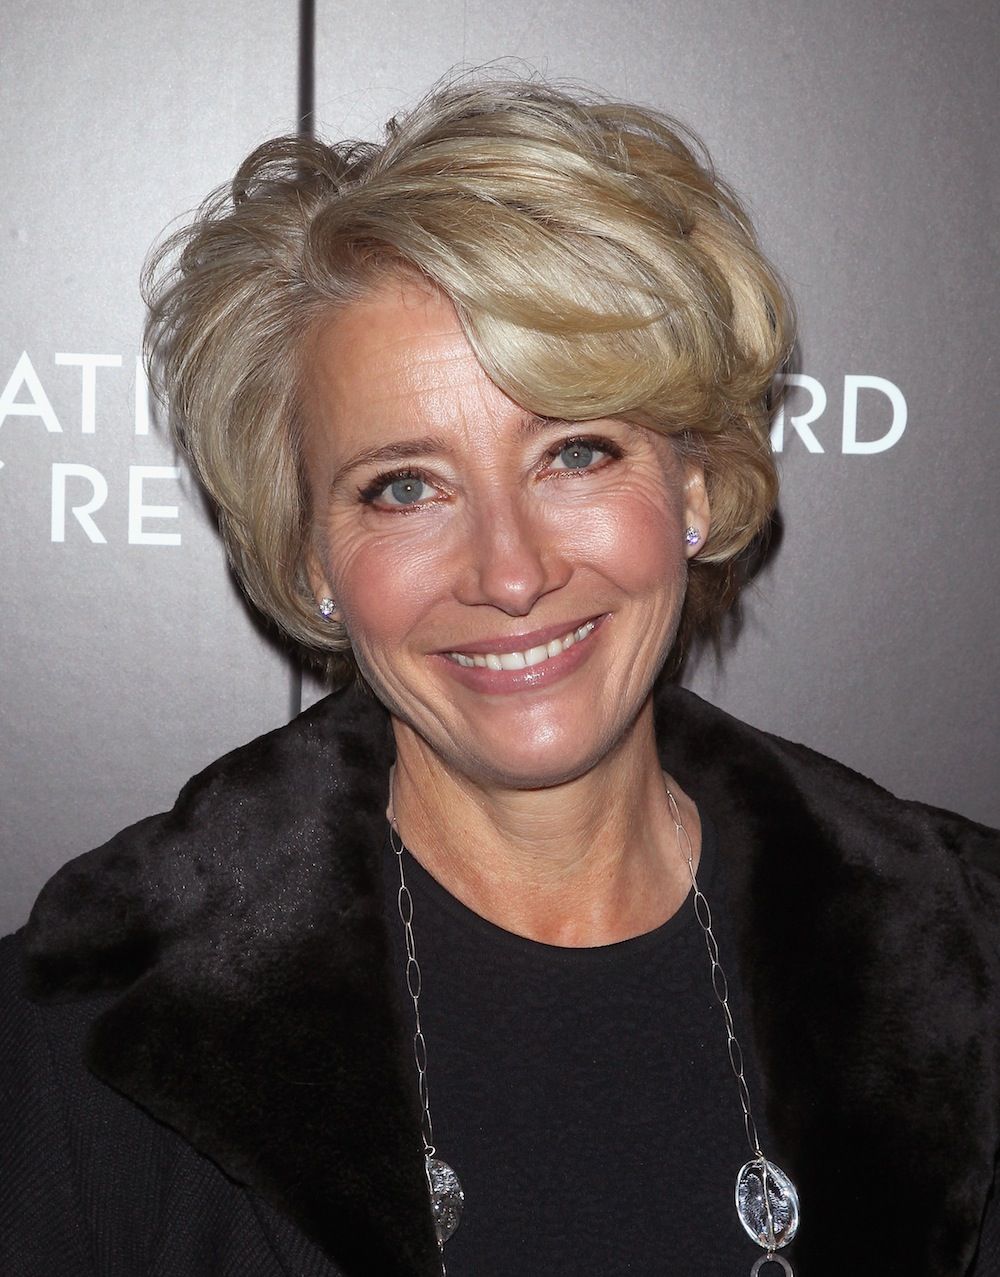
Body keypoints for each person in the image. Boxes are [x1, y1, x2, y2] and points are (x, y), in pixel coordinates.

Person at [1, 74, 998, 1277]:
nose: (511, 573)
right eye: (404, 486)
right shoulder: (83, 1034)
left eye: (574, 451)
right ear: (310, 553)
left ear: (691, 486)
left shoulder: (966, 948)